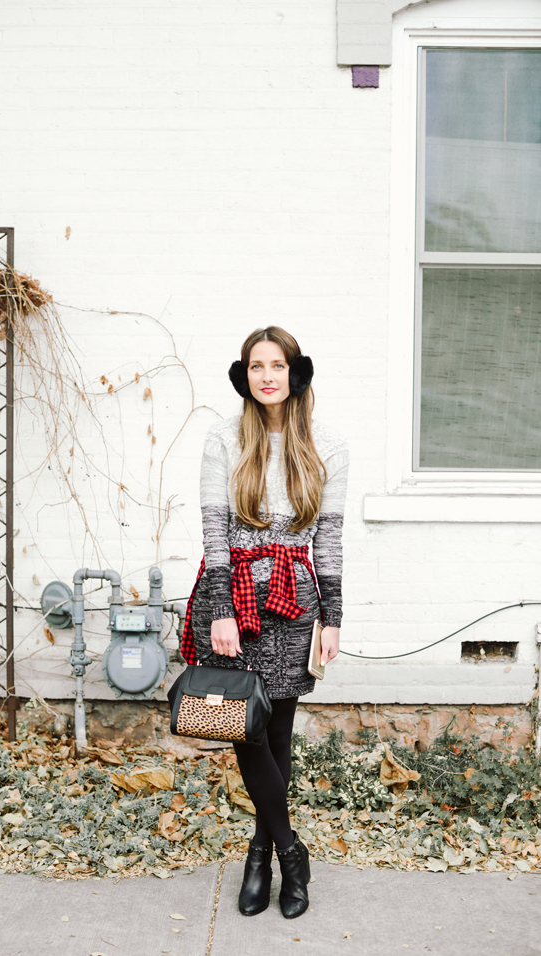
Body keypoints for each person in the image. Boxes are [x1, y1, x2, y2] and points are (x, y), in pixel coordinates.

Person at [182, 326, 348, 919]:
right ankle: (289, 853)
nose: (267, 376)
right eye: (256, 366)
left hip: (296, 602)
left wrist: (333, 617)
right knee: (242, 730)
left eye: (277, 365)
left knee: (277, 734)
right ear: (244, 375)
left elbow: (328, 541)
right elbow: (214, 534)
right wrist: (220, 609)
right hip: (234, 600)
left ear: (295, 373)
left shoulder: (328, 444)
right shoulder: (223, 438)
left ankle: (261, 854)